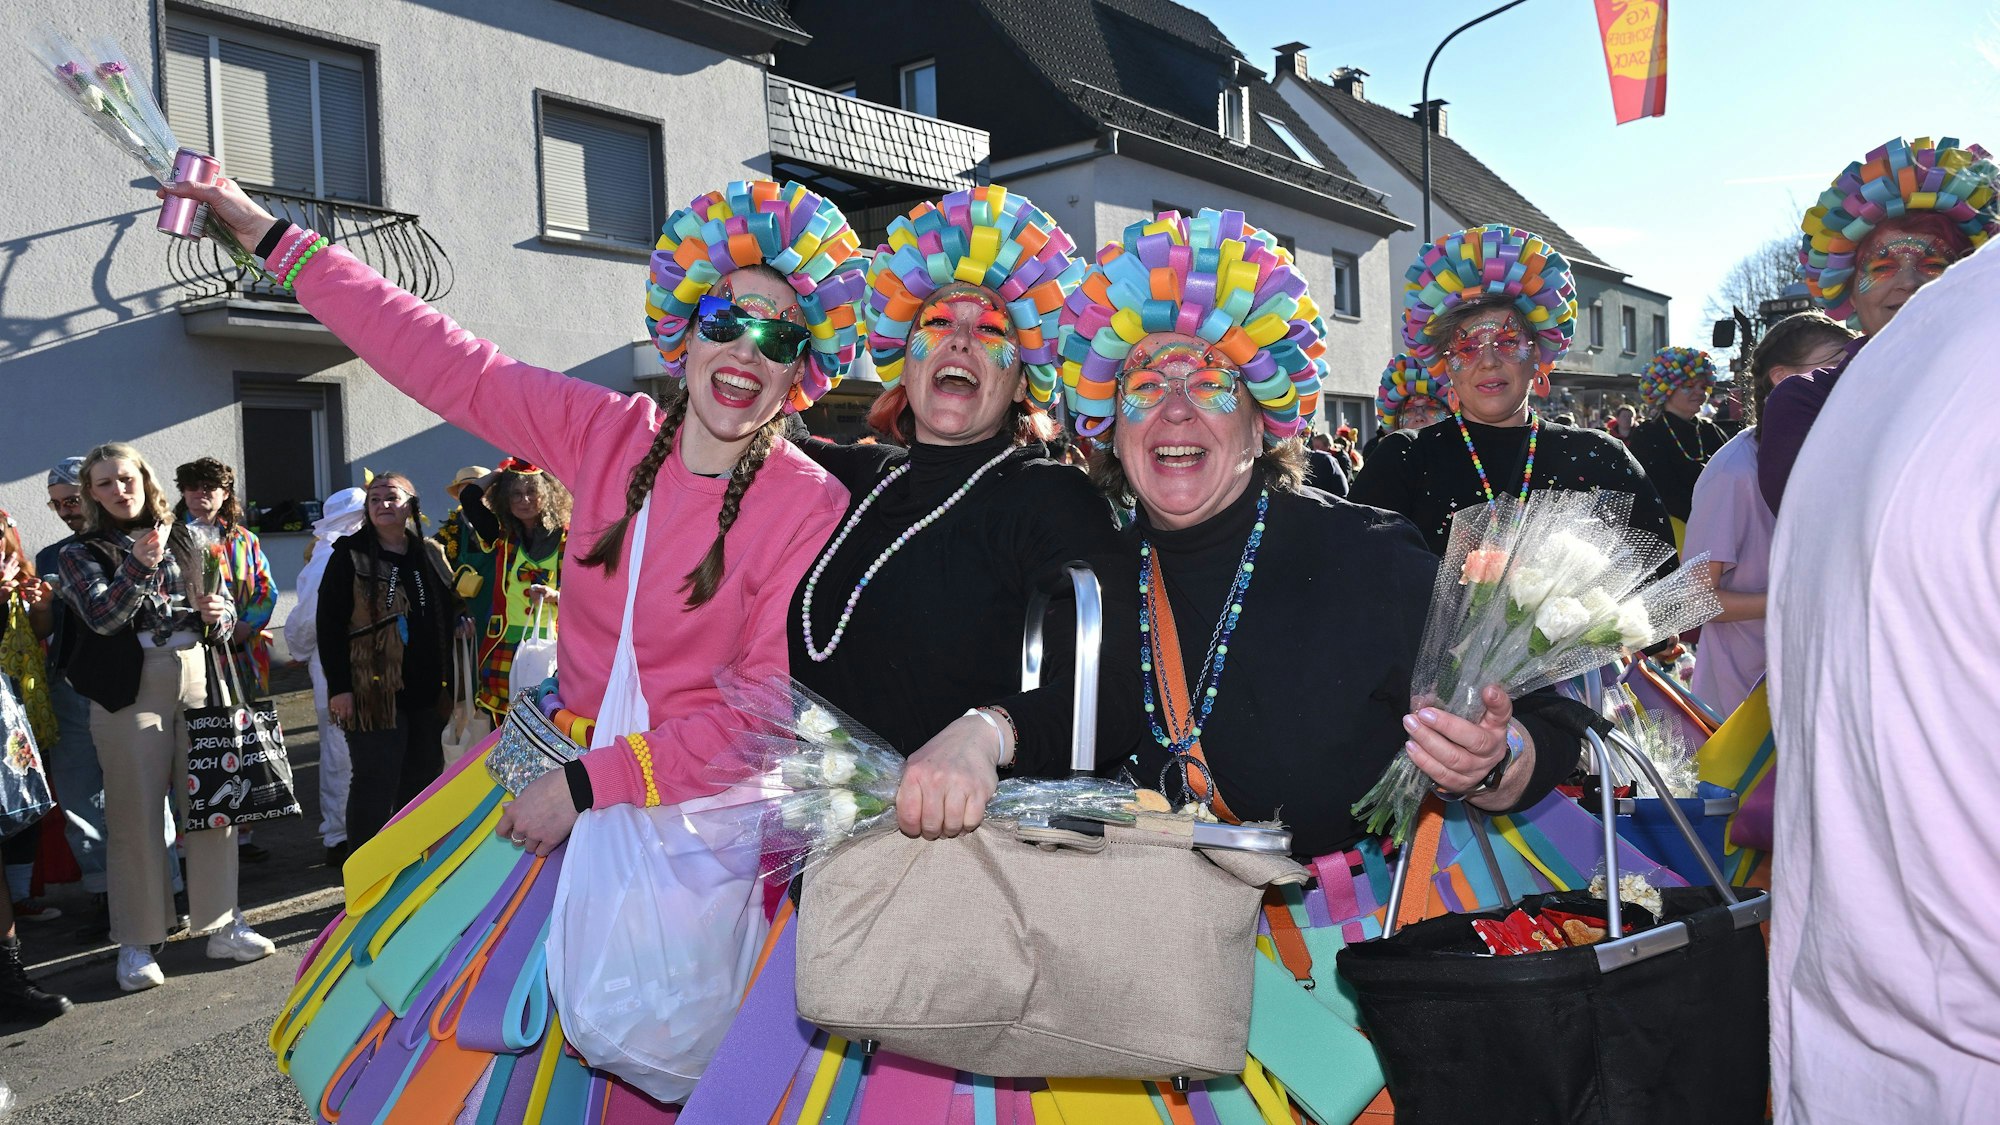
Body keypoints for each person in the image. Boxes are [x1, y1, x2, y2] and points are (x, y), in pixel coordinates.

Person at [159, 171, 865, 1115]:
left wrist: (587, 787)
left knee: (655, 1065)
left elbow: (758, 720)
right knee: (472, 1054)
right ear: (685, 328)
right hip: (533, 803)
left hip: (684, 833)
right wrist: (269, 236)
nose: (746, 350)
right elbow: (441, 358)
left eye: (780, 336)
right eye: (727, 320)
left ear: (800, 371)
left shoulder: (807, 500)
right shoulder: (606, 432)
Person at [1059, 208, 1591, 857]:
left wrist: (1496, 759)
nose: (1174, 408)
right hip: (1150, 936)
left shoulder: (1366, 558)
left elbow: (1548, 717)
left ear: (1262, 421)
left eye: (1211, 383)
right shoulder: (1087, 584)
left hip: (1333, 942)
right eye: (1144, 385)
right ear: (1112, 425)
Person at [772, 186, 1139, 840]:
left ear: (1024, 380)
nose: (963, 340)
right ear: (902, 357)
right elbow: (748, 422)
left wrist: (988, 732)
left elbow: (1110, 691)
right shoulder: (856, 479)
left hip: (952, 883)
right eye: (938, 322)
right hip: (805, 871)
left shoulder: (1049, 499)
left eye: (993, 329)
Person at [1765, 239, 2000, 1123]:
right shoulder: (1833, 400)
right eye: (1880, 264)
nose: (1906, 281)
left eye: (1928, 256)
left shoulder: (1912, 363)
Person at [56, 443, 273, 992]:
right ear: (91, 494)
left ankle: (222, 924)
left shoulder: (188, 536)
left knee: (214, 803)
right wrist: (136, 565)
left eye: (125, 478)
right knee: (134, 817)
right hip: (130, 688)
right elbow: (104, 617)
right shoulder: (79, 552)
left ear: (144, 480)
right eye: (104, 484)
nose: (118, 491)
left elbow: (216, 612)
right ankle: (137, 941)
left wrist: (219, 615)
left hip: (198, 670)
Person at [1348, 224, 1674, 557]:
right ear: (1446, 364)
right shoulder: (1404, 461)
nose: (1488, 361)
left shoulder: (1603, 458)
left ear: (1537, 353)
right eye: (1467, 347)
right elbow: (1350, 580)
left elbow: (1664, 591)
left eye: (1507, 342)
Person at [1760, 136, 1997, 512]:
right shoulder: (1806, 400)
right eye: (1883, 267)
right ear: (1850, 291)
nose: (1909, 283)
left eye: (1934, 265)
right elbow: (1815, 523)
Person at [1683, 313, 1856, 717]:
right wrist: (1792, 599)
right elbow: (1694, 600)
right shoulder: (1735, 471)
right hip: (1745, 698)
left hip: (1815, 684)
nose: (1849, 377)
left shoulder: (1836, 455)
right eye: (1834, 365)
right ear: (1783, 378)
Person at [313, 473, 461, 852]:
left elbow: (446, 604)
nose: (382, 504)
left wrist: (460, 620)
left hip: (426, 689)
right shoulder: (349, 554)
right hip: (370, 688)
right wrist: (340, 689)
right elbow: (328, 626)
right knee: (375, 781)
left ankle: (412, 866)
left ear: (411, 505)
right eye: (375, 499)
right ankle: (365, 875)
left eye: (391, 497)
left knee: (423, 780)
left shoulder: (426, 552)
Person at [174, 456, 279, 863]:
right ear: (183, 491)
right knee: (195, 742)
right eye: (196, 486)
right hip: (192, 658)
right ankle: (189, 837)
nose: (204, 494)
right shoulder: (172, 538)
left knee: (241, 738)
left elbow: (266, 590)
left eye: (212, 487)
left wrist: (246, 627)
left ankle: (242, 832)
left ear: (225, 493)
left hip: (241, 656)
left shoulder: (244, 539)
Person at [281, 487, 366, 867]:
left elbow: (302, 625)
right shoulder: (332, 555)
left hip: (340, 662)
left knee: (345, 749)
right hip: (340, 664)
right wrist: (300, 648)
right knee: (343, 749)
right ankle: (343, 832)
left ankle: (345, 832)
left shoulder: (326, 553)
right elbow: (310, 618)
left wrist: (298, 650)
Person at [452, 458, 571, 719]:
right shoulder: (502, 535)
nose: (523, 499)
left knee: (551, 721)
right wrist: (501, 473)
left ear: (548, 493)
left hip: (558, 646)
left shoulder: (569, 536)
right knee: (505, 723)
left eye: (531, 491)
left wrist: (557, 597)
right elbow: (471, 499)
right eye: (515, 493)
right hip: (507, 643)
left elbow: (590, 594)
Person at [1623, 347, 1731, 544]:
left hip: (1723, 530)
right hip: (1674, 538)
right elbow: (1657, 490)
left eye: (1703, 386)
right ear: (1666, 389)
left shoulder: (1710, 431)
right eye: (1689, 386)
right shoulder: (1649, 434)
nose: (1700, 393)